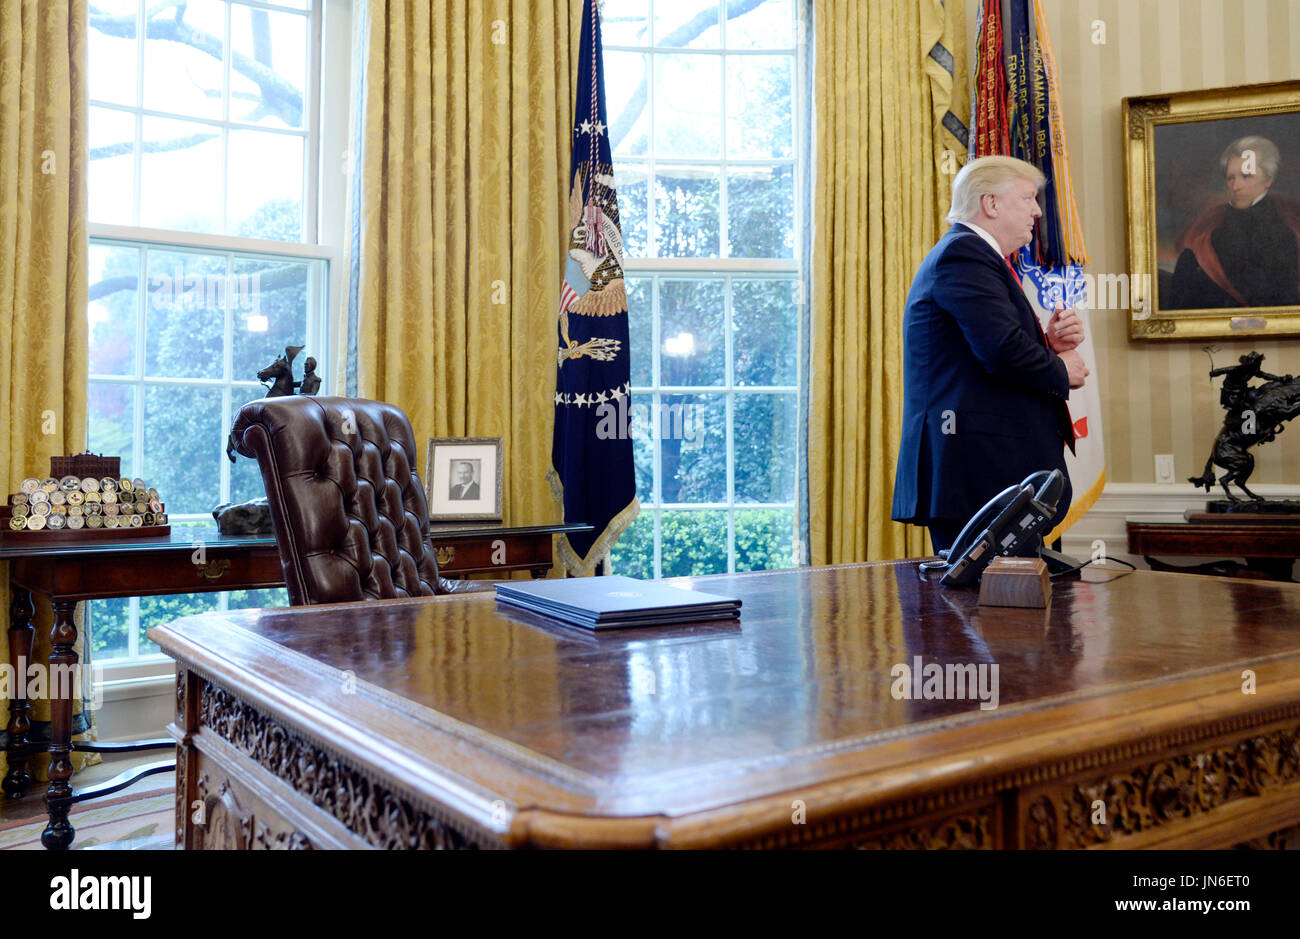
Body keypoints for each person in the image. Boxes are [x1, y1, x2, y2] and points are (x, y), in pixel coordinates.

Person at [891, 155, 1090, 554]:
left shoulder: (976, 257)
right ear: (991, 204)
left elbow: (983, 349)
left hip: (987, 469)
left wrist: (1046, 345)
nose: (1037, 211)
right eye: (1028, 198)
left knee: (1000, 606)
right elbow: (1000, 352)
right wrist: (1059, 368)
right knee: (988, 609)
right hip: (978, 471)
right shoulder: (964, 255)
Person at [1168, 135, 1300, 310]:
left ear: (1268, 180)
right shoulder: (1206, 233)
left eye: (1246, 176)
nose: (1236, 186)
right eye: (1231, 178)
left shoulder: (1283, 235)